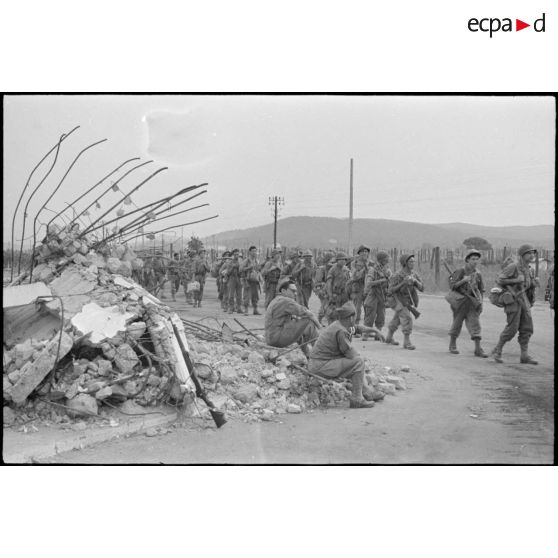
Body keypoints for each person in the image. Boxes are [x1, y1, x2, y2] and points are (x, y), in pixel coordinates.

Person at [308, 301, 385, 409]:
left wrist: (375, 331)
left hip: (321, 363)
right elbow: (350, 355)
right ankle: (357, 399)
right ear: (351, 318)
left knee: (357, 362)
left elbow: (358, 328)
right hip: (320, 366)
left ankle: (367, 392)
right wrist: (358, 357)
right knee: (358, 362)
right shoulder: (341, 330)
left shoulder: (341, 324)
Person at [491, 244, 539, 364]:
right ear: (522, 255)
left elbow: (527, 286)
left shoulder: (529, 269)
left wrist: (534, 283)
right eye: (529, 253)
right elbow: (500, 279)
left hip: (524, 301)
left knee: (527, 328)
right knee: (512, 328)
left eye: (533, 253)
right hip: (513, 300)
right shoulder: (513, 267)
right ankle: (498, 351)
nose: (532, 255)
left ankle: (524, 356)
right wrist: (516, 280)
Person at [264, 278, 321, 359]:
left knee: (299, 325)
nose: (295, 293)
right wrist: (320, 327)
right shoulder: (286, 301)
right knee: (308, 321)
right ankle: (320, 352)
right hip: (277, 338)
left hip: (271, 338)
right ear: (283, 291)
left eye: (296, 291)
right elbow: (308, 314)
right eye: (293, 291)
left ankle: (308, 355)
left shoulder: (276, 300)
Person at [447, 249, 487, 357]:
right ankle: (452, 345)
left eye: (477, 259)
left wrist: (481, 302)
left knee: (475, 324)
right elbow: (452, 286)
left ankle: (478, 349)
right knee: (457, 323)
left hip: (472, 302)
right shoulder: (461, 271)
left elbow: (481, 289)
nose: (475, 261)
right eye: (473, 259)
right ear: (467, 260)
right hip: (460, 301)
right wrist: (463, 280)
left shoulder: (478, 274)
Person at [385, 254, 424, 349]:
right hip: (397, 299)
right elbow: (390, 290)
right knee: (407, 318)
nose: (413, 263)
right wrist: (403, 283)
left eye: (414, 261)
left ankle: (389, 337)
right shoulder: (397, 275)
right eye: (411, 261)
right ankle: (407, 342)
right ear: (405, 263)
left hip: (407, 301)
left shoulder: (414, 274)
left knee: (397, 319)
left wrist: (415, 281)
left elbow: (422, 288)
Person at [363, 250, 392, 340]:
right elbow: (369, 283)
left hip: (382, 295)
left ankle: (378, 333)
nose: (387, 261)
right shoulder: (373, 270)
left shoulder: (387, 270)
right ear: (381, 260)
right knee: (370, 316)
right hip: (373, 295)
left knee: (381, 316)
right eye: (386, 259)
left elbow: (391, 282)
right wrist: (382, 280)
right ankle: (366, 333)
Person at [324, 252, 351, 324]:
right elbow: (329, 283)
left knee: (343, 313)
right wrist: (330, 295)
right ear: (337, 260)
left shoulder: (346, 270)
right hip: (335, 294)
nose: (343, 261)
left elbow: (349, 282)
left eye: (345, 260)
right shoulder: (332, 269)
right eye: (341, 259)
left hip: (344, 295)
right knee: (333, 314)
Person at [349, 245, 370, 326]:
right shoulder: (354, 263)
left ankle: (366, 327)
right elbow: (355, 276)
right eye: (363, 251)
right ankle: (355, 326)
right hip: (358, 287)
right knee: (356, 309)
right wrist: (364, 269)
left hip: (368, 288)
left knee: (368, 308)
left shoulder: (371, 263)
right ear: (359, 253)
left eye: (366, 251)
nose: (365, 253)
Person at [241, 245, 262, 315]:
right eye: (253, 251)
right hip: (248, 280)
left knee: (255, 296)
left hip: (255, 281)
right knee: (247, 296)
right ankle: (246, 310)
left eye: (255, 251)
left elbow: (259, 269)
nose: (254, 253)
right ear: (249, 252)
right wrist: (249, 267)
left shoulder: (257, 261)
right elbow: (241, 269)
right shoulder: (246, 261)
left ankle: (255, 309)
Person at [224, 248, 243, 313]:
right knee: (231, 294)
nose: (236, 256)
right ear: (233, 255)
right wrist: (233, 266)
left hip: (239, 278)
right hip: (232, 278)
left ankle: (239, 308)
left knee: (239, 294)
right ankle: (231, 308)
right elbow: (228, 272)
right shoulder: (230, 262)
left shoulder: (240, 262)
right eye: (235, 255)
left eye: (237, 254)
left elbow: (242, 270)